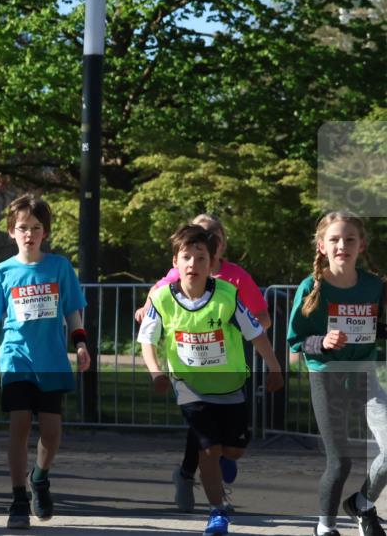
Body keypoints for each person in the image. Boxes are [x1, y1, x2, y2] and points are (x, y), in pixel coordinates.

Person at [138, 224, 283, 536]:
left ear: (210, 262)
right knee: (208, 449)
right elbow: (147, 340)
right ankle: (217, 513)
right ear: (175, 263)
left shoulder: (227, 296)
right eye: (186, 257)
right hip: (189, 386)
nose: (193, 264)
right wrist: (156, 372)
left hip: (231, 385)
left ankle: (225, 463)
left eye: (200, 258)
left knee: (233, 451)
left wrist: (274, 367)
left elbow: (256, 334)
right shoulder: (162, 298)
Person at [0, 194, 90, 529]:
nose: (29, 234)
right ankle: (18, 500)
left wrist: (80, 344)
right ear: (11, 231)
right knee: (20, 424)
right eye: (23, 227)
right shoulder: (2, 272)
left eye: (36, 228)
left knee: (51, 433)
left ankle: (38, 478)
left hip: (51, 360)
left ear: (45, 232)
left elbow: (73, 311)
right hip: (15, 359)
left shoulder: (59, 267)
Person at [287, 211, 387, 536]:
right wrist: (324, 341)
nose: (341, 245)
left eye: (349, 239)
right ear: (321, 246)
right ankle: (324, 527)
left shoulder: (374, 286)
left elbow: (378, 327)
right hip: (327, 377)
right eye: (334, 239)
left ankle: (362, 503)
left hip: (364, 375)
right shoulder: (311, 287)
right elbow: (296, 341)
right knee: (340, 462)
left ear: (362, 246)